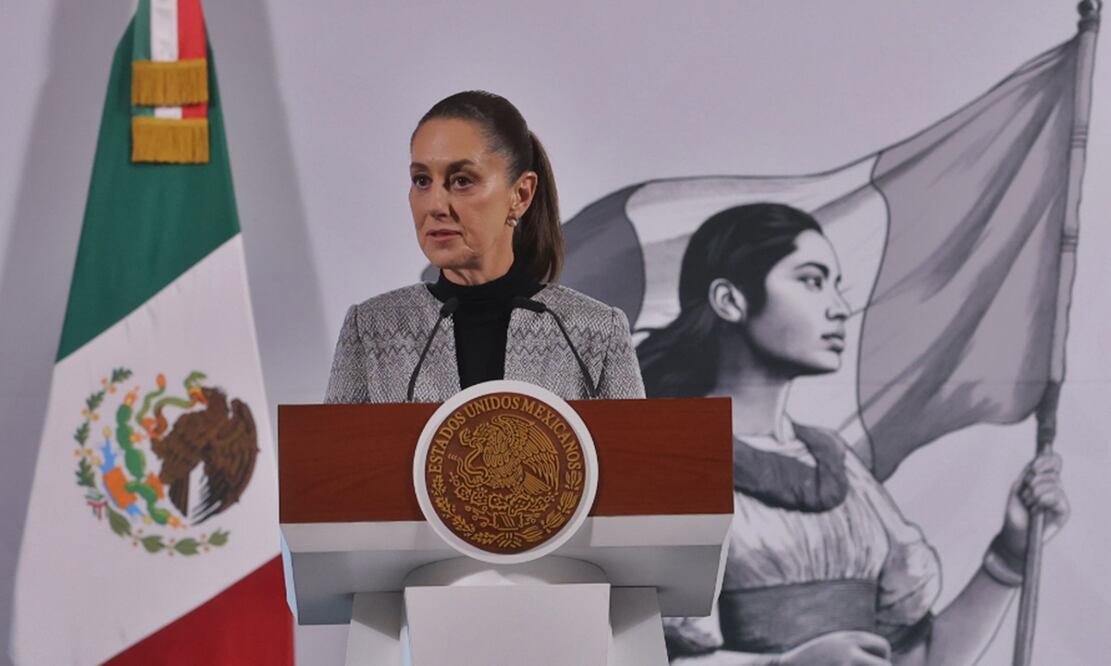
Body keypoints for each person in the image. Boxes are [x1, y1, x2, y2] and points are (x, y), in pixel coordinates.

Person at [638, 203, 1069, 666]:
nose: (840, 308)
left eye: (836, 286)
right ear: (730, 300)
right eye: (811, 280)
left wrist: (1010, 554)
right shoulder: (662, 459)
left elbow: (919, 660)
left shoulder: (836, 462)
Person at [325, 90, 644, 404]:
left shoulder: (594, 332)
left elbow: (637, 455)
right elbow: (330, 455)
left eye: (462, 180)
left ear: (520, 194)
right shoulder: (370, 330)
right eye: (422, 180)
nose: (435, 205)